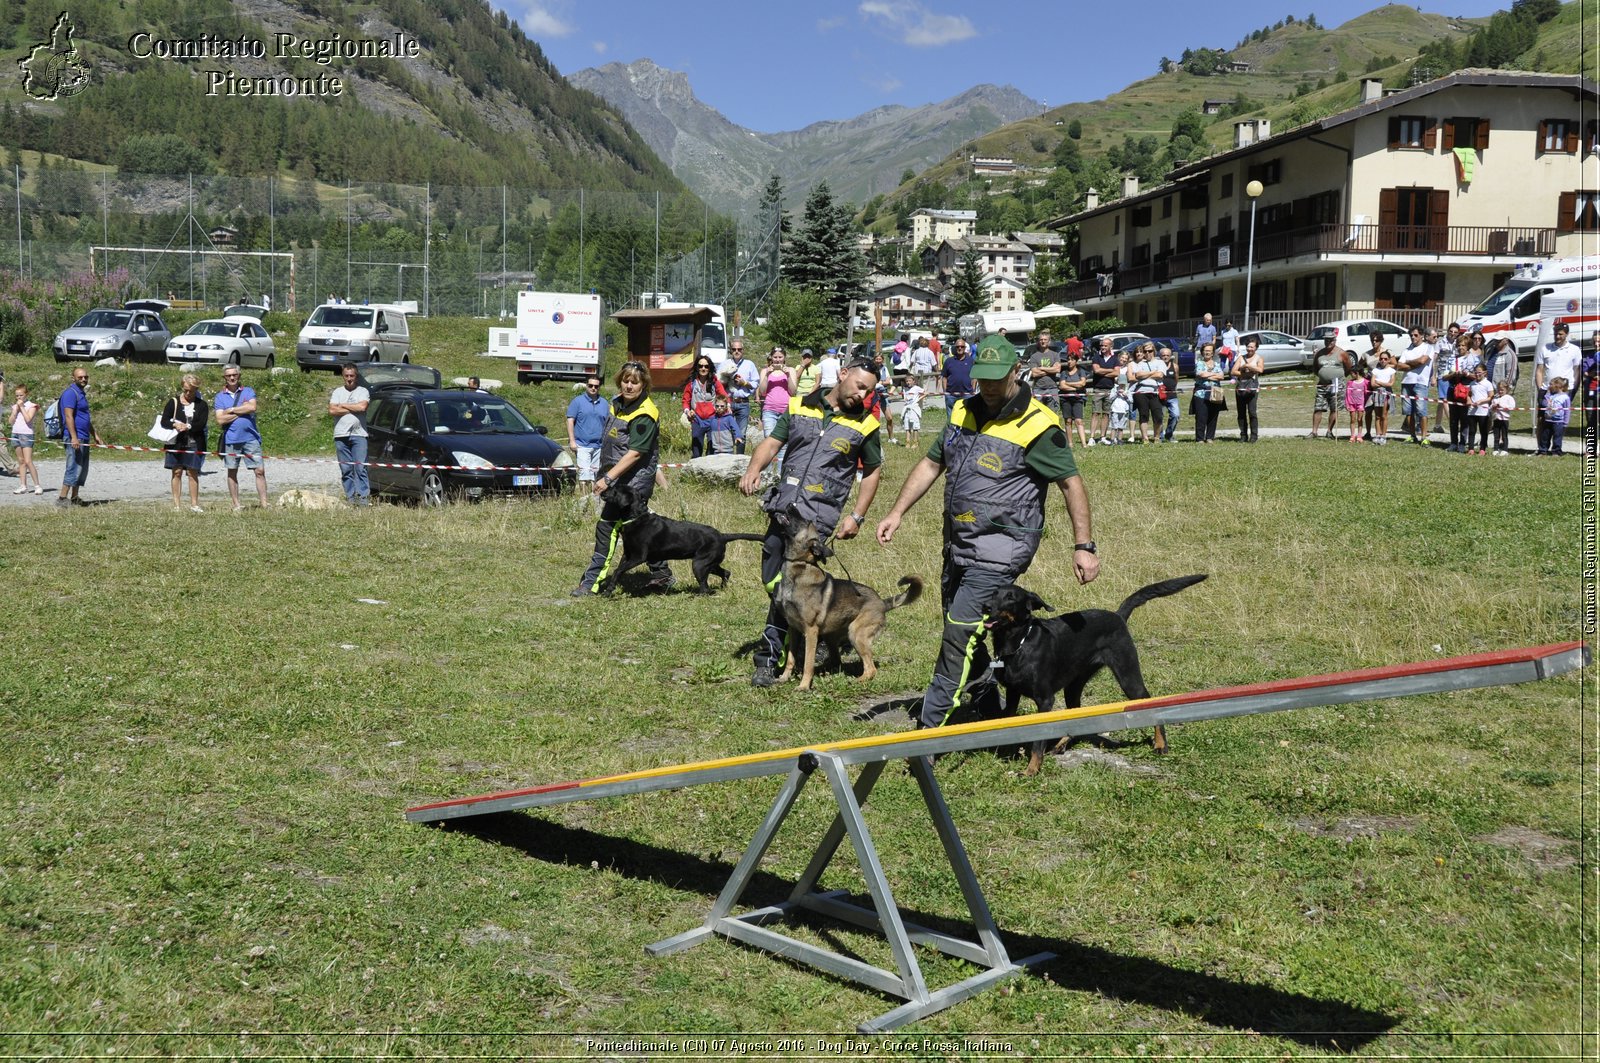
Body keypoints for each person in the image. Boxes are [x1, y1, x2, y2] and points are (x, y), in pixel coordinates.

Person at [875, 334, 1098, 730]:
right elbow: (931, 464)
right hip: (959, 544)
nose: (989, 386)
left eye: (997, 377)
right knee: (968, 632)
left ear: (1016, 371)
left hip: (1000, 549)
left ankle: (930, 731)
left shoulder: (1038, 424)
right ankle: (986, 710)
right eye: (983, 378)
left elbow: (1071, 483)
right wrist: (896, 512)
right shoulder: (962, 409)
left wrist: (1084, 546)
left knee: (959, 635)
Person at [740, 357, 885, 688]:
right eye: (860, 386)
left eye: (870, 391)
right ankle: (813, 638)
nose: (863, 395)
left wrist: (857, 515)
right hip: (784, 511)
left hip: (816, 522)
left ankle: (770, 659)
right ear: (843, 374)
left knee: (793, 589)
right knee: (772, 582)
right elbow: (773, 442)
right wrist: (754, 468)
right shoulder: (799, 405)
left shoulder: (866, 423)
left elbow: (873, 471)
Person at [574, 361, 673, 596]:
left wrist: (607, 478)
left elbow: (635, 453)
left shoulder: (645, 414)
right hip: (616, 479)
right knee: (640, 531)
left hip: (632, 485)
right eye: (625, 381)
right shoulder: (616, 403)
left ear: (643, 385)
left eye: (634, 382)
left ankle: (592, 582)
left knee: (606, 527)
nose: (629, 386)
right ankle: (662, 575)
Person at [214, 365, 269, 511]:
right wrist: (241, 410)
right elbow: (220, 420)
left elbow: (252, 408)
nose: (232, 378)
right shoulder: (220, 397)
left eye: (235, 375)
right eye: (228, 376)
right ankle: (236, 504)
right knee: (232, 471)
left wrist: (231, 410)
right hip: (231, 439)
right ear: (224, 378)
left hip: (251, 438)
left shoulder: (248, 391)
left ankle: (264, 503)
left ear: (239, 375)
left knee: (259, 470)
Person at [56, 366, 104, 509]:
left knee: (82, 469)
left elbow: (85, 418)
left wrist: (95, 435)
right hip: (75, 438)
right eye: (80, 377)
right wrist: (74, 437)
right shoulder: (70, 394)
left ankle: (75, 498)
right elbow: (69, 417)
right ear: (73, 378)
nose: (83, 379)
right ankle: (62, 499)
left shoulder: (81, 393)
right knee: (73, 467)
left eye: (85, 377)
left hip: (84, 437)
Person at [160, 374, 209, 512]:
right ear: (182, 387)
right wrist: (175, 425)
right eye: (186, 390)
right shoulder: (173, 402)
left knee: (193, 473)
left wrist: (187, 427)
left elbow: (201, 424)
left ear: (196, 390)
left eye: (192, 391)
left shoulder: (202, 405)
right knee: (176, 472)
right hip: (175, 443)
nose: (188, 393)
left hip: (194, 443)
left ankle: (194, 504)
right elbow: (164, 421)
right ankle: (176, 505)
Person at [1535, 323, 1581, 451]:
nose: (1557, 336)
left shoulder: (1574, 350)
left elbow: (1577, 371)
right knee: (1542, 419)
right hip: (1547, 390)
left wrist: (1573, 389)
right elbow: (1539, 370)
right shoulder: (1545, 348)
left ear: (1566, 334)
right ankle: (1541, 448)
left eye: (1560, 334)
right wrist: (1540, 389)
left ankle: (1557, 447)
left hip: (1564, 391)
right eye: (1556, 333)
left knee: (1559, 419)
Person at [329, 363, 371, 505]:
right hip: (341, 435)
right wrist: (354, 408)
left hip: (359, 435)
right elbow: (332, 411)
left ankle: (363, 499)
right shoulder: (337, 392)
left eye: (351, 376)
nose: (349, 379)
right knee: (346, 468)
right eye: (346, 376)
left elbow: (362, 407)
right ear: (343, 376)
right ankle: (351, 498)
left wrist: (343, 405)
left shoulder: (363, 391)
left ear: (356, 376)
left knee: (360, 467)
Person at [566, 373, 610, 486]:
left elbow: (608, 423)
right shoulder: (577, 401)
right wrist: (572, 441)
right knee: (584, 476)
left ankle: (593, 499)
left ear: (599, 387)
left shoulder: (604, 403)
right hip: (582, 445)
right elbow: (570, 420)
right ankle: (584, 499)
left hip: (599, 446)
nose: (593, 388)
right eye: (590, 385)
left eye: (596, 386)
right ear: (586, 385)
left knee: (595, 477)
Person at [759, 347, 797, 476]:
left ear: (784, 357)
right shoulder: (765, 371)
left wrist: (787, 376)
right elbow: (762, 391)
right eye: (775, 357)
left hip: (786, 410)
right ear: (771, 358)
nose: (777, 360)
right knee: (769, 440)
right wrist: (767, 375)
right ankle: (768, 473)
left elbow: (793, 391)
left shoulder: (791, 370)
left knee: (783, 443)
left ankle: (780, 474)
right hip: (769, 410)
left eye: (780, 357)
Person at [682, 356, 727, 459]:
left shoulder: (715, 382)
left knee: (712, 449)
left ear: (710, 368)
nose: (703, 369)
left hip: (713, 418)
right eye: (700, 366)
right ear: (697, 368)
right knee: (696, 451)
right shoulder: (691, 383)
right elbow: (685, 400)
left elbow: (724, 396)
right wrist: (687, 411)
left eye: (706, 366)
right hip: (697, 419)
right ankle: (695, 471)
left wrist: (727, 406)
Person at [1312, 335, 1354, 440]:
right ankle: (1314, 432)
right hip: (1323, 385)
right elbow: (1315, 368)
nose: (1329, 342)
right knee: (1318, 408)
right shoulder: (1320, 354)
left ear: (1335, 340)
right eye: (1326, 340)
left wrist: (1339, 377)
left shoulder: (1342, 353)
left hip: (1337, 385)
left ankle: (1329, 431)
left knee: (1334, 408)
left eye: (1331, 340)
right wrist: (1323, 376)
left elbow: (1348, 368)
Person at [1398, 326, 1435, 444]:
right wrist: (1415, 363)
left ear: (1421, 336)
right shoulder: (1406, 350)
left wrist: (1408, 363)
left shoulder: (1428, 348)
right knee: (1408, 411)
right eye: (1411, 335)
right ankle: (1412, 435)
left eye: (1415, 335)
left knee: (1421, 410)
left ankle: (1424, 437)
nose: (1413, 337)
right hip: (1406, 383)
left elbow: (1422, 361)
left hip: (1420, 382)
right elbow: (1399, 366)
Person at [723, 341, 760, 454]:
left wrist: (744, 383)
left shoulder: (750, 364)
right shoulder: (725, 363)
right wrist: (727, 379)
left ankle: (739, 459)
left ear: (743, 351)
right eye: (734, 349)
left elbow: (755, 383)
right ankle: (726, 458)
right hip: (727, 403)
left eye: (739, 349)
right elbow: (718, 382)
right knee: (726, 432)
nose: (736, 351)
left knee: (742, 433)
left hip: (743, 403)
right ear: (731, 350)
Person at [8, 383, 42, 494]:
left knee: (28, 461)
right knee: (21, 461)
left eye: (21, 395)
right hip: (15, 434)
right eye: (17, 396)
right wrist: (14, 411)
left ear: (26, 394)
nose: (19, 398)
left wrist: (21, 407)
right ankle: (23, 485)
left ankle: (37, 485)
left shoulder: (31, 406)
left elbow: (28, 419)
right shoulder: (14, 406)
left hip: (26, 434)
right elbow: (10, 422)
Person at [1191, 344, 1227, 443]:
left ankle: (1210, 437)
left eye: (1209, 351)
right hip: (1201, 393)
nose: (1207, 352)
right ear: (1202, 352)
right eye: (1205, 350)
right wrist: (1214, 374)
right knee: (1201, 416)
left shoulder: (1217, 364)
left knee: (1213, 416)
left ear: (1212, 353)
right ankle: (1199, 438)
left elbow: (1222, 376)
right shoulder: (1199, 363)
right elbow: (1201, 374)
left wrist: (1208, 375)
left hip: (1215, 392)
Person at [1231, 337, 1264, 442]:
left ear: (1256, 348)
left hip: (1252, 388)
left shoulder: (1259, 358)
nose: (1250, 349)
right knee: (1241, 413)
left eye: (1252, 347)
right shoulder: (1241, 358)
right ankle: (1243, 435)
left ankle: (1254, 436)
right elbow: (1233, 372)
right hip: (1241, 388)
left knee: (1252, 412)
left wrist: (1249, 366)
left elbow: (1260, 369)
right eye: (1248, 346)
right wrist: (1244, 370)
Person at [1087, 336, 1119, 444]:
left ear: (1111, 346)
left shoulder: (1115, 358)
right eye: (1101, 345)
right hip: (1098, 389)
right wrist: (1110, 370)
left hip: (1109, 390)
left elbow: (1117, 373)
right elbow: (1096, 370)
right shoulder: (1096, 357)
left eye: (1105, 345)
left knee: (1106, 414)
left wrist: (1103, 371)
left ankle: (1103, 437)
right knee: (1095, 413)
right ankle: (1091, 437)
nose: (1103, 347)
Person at [1129, 341, 1163, 443]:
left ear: (1154, 351)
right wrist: (1153, 372)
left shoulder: (1159, 362)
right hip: (1141, 391)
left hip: (1155, 391)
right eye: (1145, 351)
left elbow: (1160, 375)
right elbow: (1138, 375)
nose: (1147, 353)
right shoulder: (1140, 363)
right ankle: (1145, 438)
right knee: (1143, 415)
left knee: (1157, 415)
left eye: (1150, 351)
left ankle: (1156, 437)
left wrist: (1146, 375)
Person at [1024, 330, 1060, 422]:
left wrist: (1042, 368)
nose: (1043, 341)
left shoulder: (1055, 355)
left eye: (1045, 339)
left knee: (1052, 415)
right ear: (1038, 341)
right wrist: (1050, 370)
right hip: (1038, 389)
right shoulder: (1034, 356)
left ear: (1049, 341)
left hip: (1052, 388)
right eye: (1041, 339)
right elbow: (1035, 373)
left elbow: (1057, 369)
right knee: (1038, 415)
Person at [1058, 352, 1090, 447]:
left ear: (1076, 361)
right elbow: (1062, 386)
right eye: (1068, 359)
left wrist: (1068, 384)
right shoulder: (1064, 373)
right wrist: (1076, 387)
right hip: (1065, 399)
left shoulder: (1081, 371)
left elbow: (1082, 384)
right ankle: (1070, 443)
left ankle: (1084, 443)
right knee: (1068, 421)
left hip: (1077, 399)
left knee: (1078, 421)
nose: (1069, 362)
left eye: (1072, 360)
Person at [941, 337, 976, 414]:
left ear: (965, 348)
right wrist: (945, 392)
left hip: (967, 394)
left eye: (962, 346)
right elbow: (944, 377)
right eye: (958, 347)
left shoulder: (971, 361)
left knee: (967, 417)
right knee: (951, 419)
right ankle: (951, 427)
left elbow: (974, 377)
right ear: (955, 347)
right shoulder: (949, 361)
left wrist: (973, 390)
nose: (960, 348)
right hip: (951, 395)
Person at [1538, 376, 1572, 455]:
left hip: (1559, 421)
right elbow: (1543, 404)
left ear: (1558, 386)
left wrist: (1565, 422)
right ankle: (1543, 451)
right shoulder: (1549, 396)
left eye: (1551, 384)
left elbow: (1567, 410)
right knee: (1545, 437)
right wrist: (1547, 395)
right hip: (1548, 420)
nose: (1549, 386)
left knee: (1557, 437)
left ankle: (1556, 451)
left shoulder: (1565, 397)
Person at [1368, 351, 1397, 446]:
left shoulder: (1391, 371)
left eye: (1385, 359)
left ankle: (1384, 435)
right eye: (1381, 359)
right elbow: (1372, 384)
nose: (1383, 360)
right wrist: (1383, 383)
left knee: (1384, 415)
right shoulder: (1375, 370)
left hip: (1386, 394)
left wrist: (1379, 383)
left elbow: (1391, 384)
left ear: (1388, 360)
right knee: (1377, 415)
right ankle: (1378, 434)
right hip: (1377, 394)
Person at [1466, 363, 1493, 454]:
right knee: (1472, 430)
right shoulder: (1472, 383)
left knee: (1483, 431)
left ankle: (1482, 448)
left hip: (1483, 411)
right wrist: (1469, 400)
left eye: (1479, 373)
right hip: (1472, 411)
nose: (1477, 374)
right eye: (1476, 372)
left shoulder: (1488, 384)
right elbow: (1469, 395)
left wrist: (1482, 401)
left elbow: (1490, 397)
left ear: (1485, 373)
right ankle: (1471, 448)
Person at [1158, 346, 1182, 442]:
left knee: (1176, 415)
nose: (1165, 357)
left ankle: (1169, 434)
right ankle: (1160, 436)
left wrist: (1172, 388)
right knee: (1159, 416)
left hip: (1172, 395)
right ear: (1160, 356)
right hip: (1159, 395)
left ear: (1171, 356)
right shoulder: (1157, 366)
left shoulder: (1175, 366)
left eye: (1167, 355)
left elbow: (1176, 379)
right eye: (1163, 355)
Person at [1490, 379, 1516, 455]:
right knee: (1496, 435)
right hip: (1496, 419)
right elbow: (1491, 408)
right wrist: (1493, 407)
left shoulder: (1509, 398)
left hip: (1504, 419)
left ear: (1506, 390)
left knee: (1504, 435)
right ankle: (1495, 449)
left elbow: (1512, 407)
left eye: (1502, 390)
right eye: (1499, 390)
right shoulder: (1496, 398)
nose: (1500, 391)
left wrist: (1501, 405)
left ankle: (1505, 450)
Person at [900, 376, 926, 449]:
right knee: (907, 427)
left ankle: (915, 442)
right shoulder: (905, 389)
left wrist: (918, 399)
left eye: (910, 381)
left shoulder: (916, 388)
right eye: (907, 381)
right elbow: (905, 398)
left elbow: (925, 393)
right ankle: (907, 442)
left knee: (915, 426)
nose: (908, 382)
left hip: (914, 409)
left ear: (914, 381)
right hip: (907, 409)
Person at [1344, 368, 1369, 442]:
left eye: (1352, 374)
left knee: (1359, 419)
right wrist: (1347, 403)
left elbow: (1367, 394)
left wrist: (1366, 403)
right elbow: (1347, 393)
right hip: (1351, 403)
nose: (1351, 375)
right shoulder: (1350, 382)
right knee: (1352, 419)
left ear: (1357, 373)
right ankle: (1352, 436)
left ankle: (1359, 435)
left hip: (1361, 403)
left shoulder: (1365, 382)